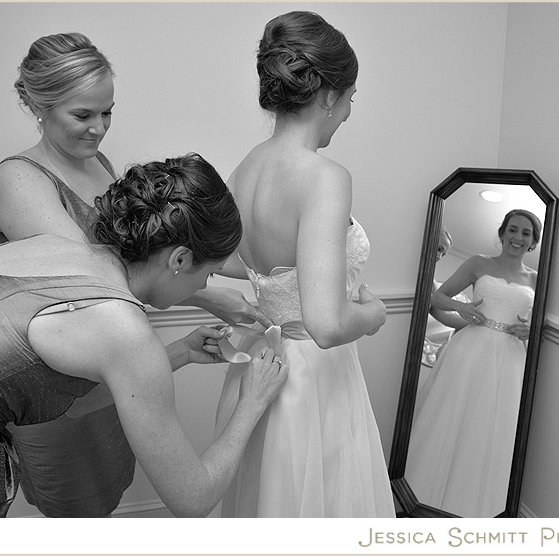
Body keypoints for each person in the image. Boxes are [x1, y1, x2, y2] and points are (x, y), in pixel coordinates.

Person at [0, 154, 288, 518]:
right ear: (179, 259)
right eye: (209, 273)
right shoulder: (123, 328)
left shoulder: (62, 251)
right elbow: (193, 498)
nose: (205, 283)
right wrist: (250, 402)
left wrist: (182, 351)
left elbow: (72, 404)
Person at [0, 32, 267, 517]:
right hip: (58, 393)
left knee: (107, 496)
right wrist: (208, 295)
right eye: (83, 114)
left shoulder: (99, 165)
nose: (99, 129)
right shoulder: (18, 181)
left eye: (107, 112)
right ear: (38, 104)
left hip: (108, 382)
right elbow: (101, 279)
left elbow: (144, 256)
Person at [212, 11, 395, 517]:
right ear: (330, 95)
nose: (350, 112)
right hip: (314, 375)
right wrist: (375, 313)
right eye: (351, 99)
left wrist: (278, 293)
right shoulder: (323, 177)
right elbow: (327, 323)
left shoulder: (246, 168)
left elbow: (234, 262)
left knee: (272, 500)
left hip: (262, 366)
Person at [406, 209, 541, 517]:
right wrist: (461, 310)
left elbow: (542, 324)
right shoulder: (479, 263)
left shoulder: (536, 279)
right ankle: (417, 494)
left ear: (533, 242)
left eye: (526, 234)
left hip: (510, 358)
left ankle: (476, 507)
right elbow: (438, 298)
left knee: (493, 428)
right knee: (450, 416)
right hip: (469, 350)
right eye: (513, 230)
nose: (518, 237)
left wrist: (530, 331)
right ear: (502, 232)